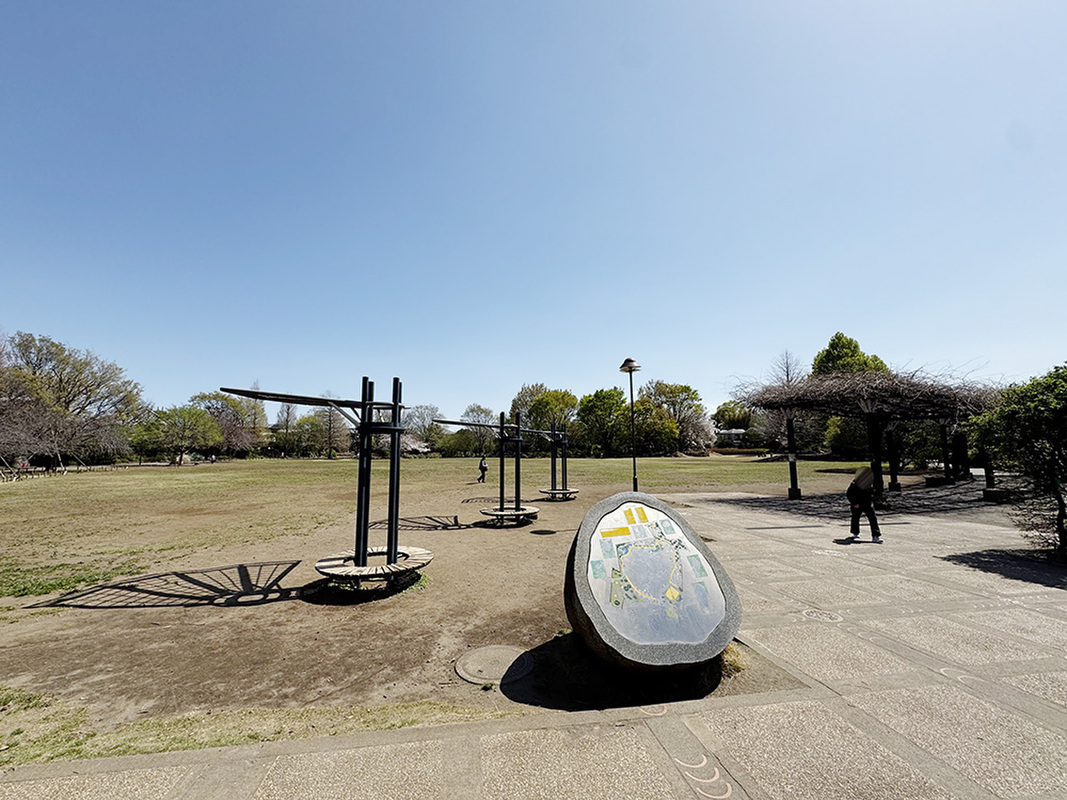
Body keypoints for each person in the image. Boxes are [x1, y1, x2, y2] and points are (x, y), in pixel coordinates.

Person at [847, 466, 882, 543]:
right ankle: (855, 533)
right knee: (855, 518)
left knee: (873, 518)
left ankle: (875, 536)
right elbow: (849, 494)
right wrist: (854, 503)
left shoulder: (869, 483)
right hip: (857, 503)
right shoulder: (854, 484)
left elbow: (873, 492)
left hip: (867, 503)